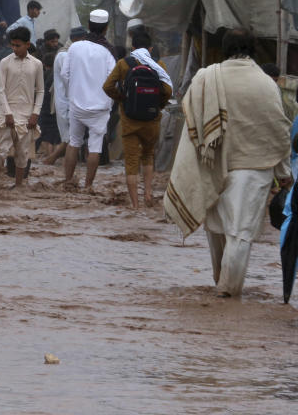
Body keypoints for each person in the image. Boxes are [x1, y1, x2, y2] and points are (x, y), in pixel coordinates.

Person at [165, 28, 292, 297]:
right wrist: (284, 174)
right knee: (240, 233)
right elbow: (278, 130)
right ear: (253, 49)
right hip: (254, 169)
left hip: (212, 164)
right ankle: (229, 291)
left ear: (224, 48)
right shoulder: (265, 83)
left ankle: (219, 282)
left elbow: (194, 124)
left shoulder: (206, 76)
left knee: (216, 229)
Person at [102, 31, 173, 209]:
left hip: (129, 121)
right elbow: (168, 91)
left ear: (132, 48)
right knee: (148, 156)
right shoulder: (159, 64)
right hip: (152, 120)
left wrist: (122, 99)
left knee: (131, 162)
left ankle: (135, 205)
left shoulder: (123, 64)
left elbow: (107, 86)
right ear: (150, 49)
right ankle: (148, 194)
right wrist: (159, 106)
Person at [61, 10, 116, 191]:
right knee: (95, 147)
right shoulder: (108, 52)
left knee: (74, 142)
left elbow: (65, 74)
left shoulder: (75, 47)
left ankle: (68, 182)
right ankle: (88, 186)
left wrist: (73, 94)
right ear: (106, 28)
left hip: (77, 105)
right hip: (100, 108)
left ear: (89, 26)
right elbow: (112, 80)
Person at [0, 27, 44, 187]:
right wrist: (7, 113)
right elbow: (0, 90)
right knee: (1, 151)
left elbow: (40, 90)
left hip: (27, 114)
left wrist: (35, 113)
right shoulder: (5, 62)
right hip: (6, 112)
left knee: (23, 153)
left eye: (18, 45)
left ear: (28, 44)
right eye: (12, 45)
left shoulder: (37, 64)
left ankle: (18, 186)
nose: (14, 49)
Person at [44, 26, 86, 165]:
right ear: (75, 40)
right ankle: (53, 160)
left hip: (72, 101)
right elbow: (70, 78)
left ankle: (54, 160)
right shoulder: (64, 55)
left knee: (70, 137)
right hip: (66, 102)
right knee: (69, 138)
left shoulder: (73, 53)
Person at [37, 52, 61, 159]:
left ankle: (49, 157)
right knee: (56, 135)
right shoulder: (58, 73)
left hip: (46, 108)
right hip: (58, 108)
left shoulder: (45, 75)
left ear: (44, 64)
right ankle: (55, 157)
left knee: (47, 136)